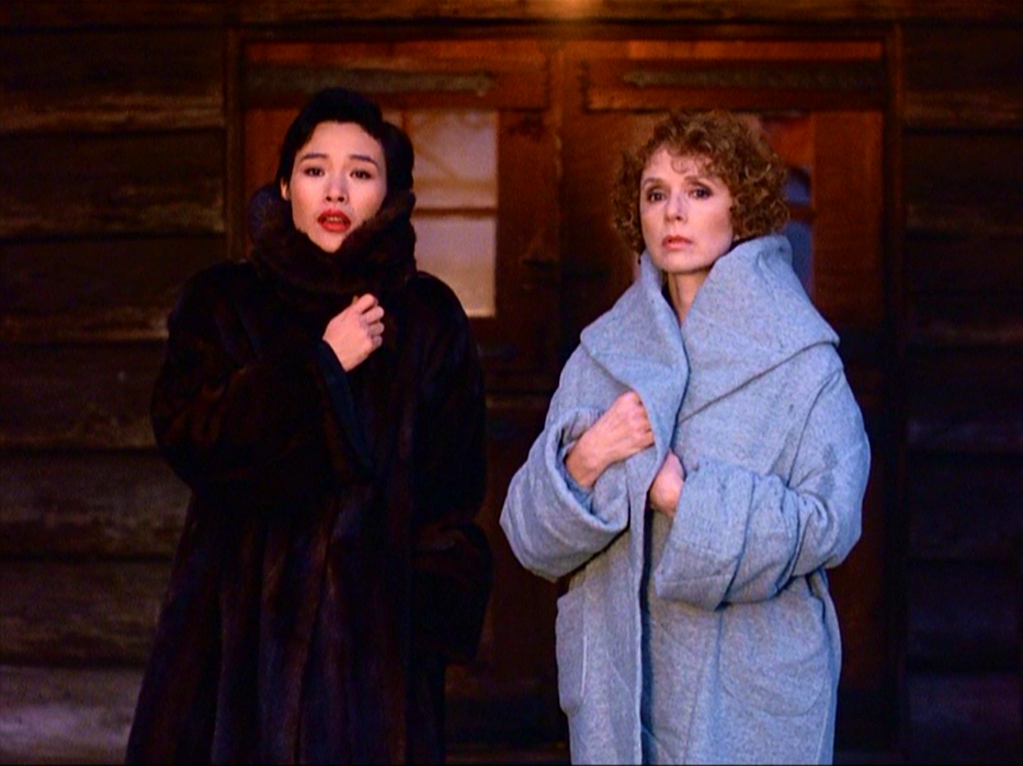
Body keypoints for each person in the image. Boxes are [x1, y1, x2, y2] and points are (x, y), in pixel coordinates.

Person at [126, 88, 491, 764]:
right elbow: (190, 432)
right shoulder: (224, 302)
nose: (336, 189)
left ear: (389, 195)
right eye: (315, 168)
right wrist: (320, 367)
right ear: (285, 185)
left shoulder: (428, 318)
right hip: (233, 655)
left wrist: (417, 622)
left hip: (375, 672)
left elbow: (452, 495)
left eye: (360, 172)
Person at [500, 110, 870, 764]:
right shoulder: (601, 356)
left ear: (742, 207)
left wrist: (685, 499)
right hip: (622, 701)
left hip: (747, 698)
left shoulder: (802, 360)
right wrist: (587, 459)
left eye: (699, 190)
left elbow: (830, 523)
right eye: (655, 193)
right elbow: (530, 540)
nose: (673, 211)